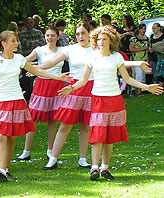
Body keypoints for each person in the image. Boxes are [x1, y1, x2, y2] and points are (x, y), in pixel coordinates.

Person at [57, 25, 163, 181]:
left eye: (104, 39)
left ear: (111, 40)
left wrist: (147, 86)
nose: (101, 42)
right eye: (99, 39)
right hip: (98, 99)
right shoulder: (91, 58)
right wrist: (71, 88)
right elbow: (84, 80)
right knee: (98, 134)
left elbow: (127, 79)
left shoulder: (117, 57)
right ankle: (94, 167)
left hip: (115, 100)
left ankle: (104, 167)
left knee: (110, 136)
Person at [0, 31, 71, 182]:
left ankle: (5, 170)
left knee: (12, 137)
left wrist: (59, 77)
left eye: (17, 40)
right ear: (4, 43)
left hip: (17, 101)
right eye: (13, 41)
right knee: (1, 135)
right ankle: (1, 170)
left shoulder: (19, 59)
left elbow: (38, 71)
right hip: (1, 102)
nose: (17, 43)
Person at [16, 26, 64, 161]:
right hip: (42, 85)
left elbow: (51, 63)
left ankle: (50, 150)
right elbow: (26, 59)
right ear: (44, 36)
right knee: (34, 118)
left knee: (52, 120)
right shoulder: (39, 50)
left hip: (56, 85)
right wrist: (15, 62)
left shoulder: (62, 51)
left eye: (52, 35)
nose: (49, 38)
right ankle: (26, 151)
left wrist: (35, 67)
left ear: (57, 37)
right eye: (47, 35)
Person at [129, 24, 149, 95]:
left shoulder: (147, 38)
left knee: (143, 75)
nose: (143, 30)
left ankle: (140, 89)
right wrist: (141, 49)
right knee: (138, 75)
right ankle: (138, 91)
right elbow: (131, 49)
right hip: (136, 59)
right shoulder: (134, 39)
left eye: (145, 29)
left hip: (145, 58)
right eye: (142, 29)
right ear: (139, 29)